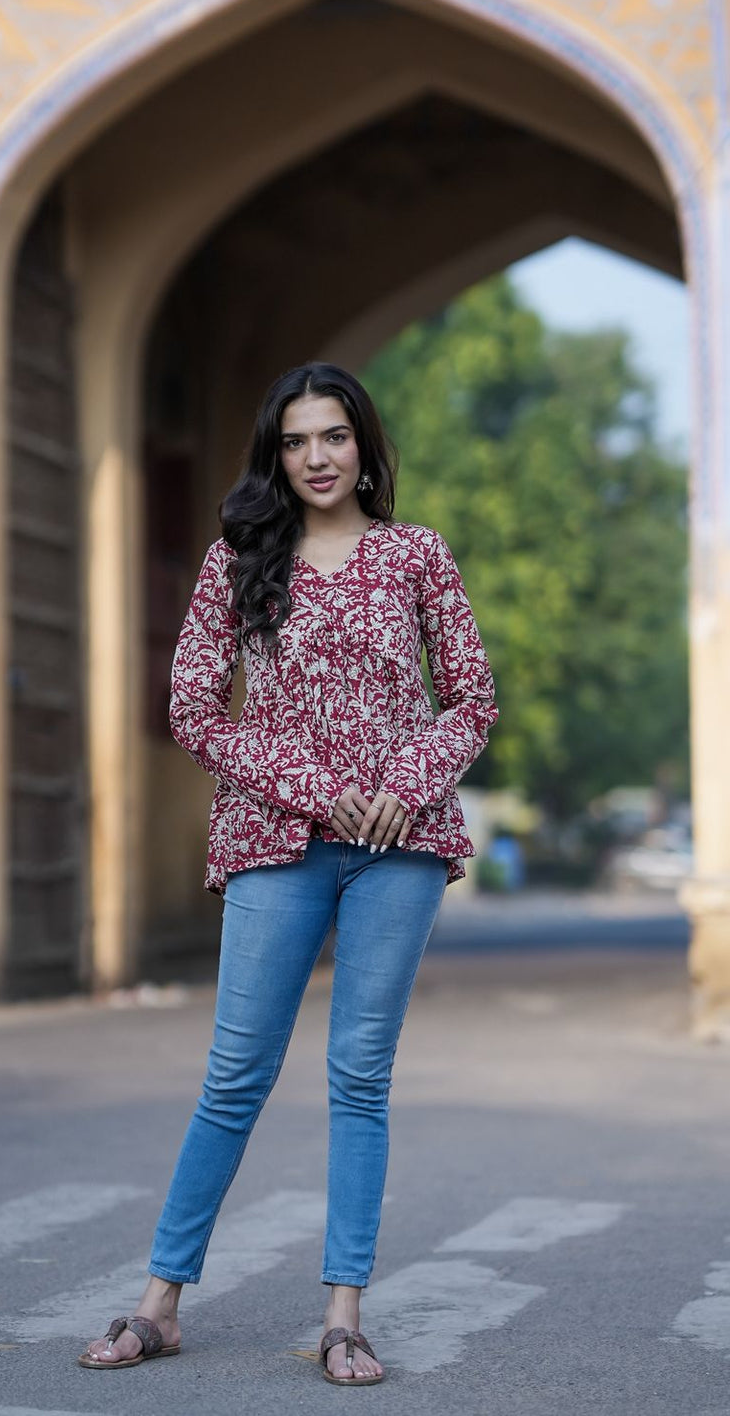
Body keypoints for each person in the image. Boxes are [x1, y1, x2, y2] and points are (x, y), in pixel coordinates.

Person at [78, 361, 498, 1386]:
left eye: (334, 437)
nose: (316, 456)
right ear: (277, 453)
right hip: (273, 840)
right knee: (234, 1076)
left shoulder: (415, 555)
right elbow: (192, 707)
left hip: (398, 848)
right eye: (297, 440)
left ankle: (343, 1315)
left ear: (364, 446)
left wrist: (404, 782)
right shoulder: (237, 561)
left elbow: (472, 698)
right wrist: (314, 788)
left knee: (359, 1076)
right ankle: (159, 1302)